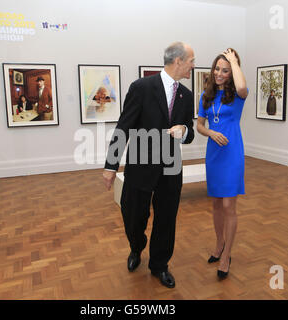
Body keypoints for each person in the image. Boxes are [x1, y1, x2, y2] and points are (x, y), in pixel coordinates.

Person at [102, 42, 195, 288]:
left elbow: (191, 131)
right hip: (140, 165)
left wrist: (184, 130)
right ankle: (136, 246)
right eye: (191, 61)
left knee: (166, 219)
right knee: (133, 216)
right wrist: (111, 166)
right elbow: (124, 127)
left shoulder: (187, 95)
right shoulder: (141, 88)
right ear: (178, 61)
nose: (193, 66)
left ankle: (159, 265)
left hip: (171, 168)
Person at [196, 48, 248, 280]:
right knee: (217, 204)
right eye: (217, 68)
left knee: (229, 206)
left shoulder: (237, 95)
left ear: (232, 72)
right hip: (214, 153)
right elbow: (199, 126)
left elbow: (243, 88)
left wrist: (235, 62)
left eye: (225, 70)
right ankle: (219, 245)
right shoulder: (205, 96)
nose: (219, 73)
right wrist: (210, 133)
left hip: (232, 153)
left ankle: (227, 255)